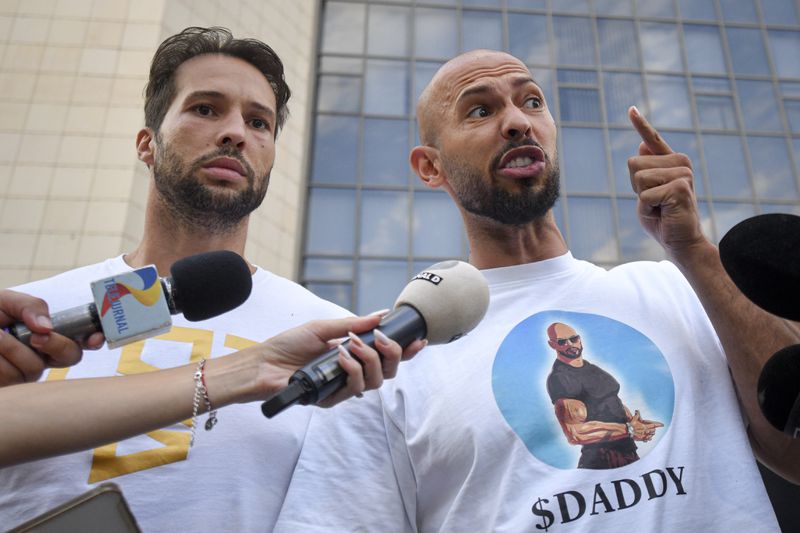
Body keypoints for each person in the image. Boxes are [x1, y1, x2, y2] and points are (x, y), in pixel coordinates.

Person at [273, 49, 800, 532]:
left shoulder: (677, 285)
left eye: (531, 102)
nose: (518, 122)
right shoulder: (390, 359)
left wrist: (694, 252)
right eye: (479, 111)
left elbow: (793, 452)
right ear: (430, 166)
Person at [0, 27, 422, 532]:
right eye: (205, 109)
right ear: (146, 143)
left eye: (259, 123)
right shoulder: (35, 320)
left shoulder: (334, 343)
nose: (235, 133)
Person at [545, 322, 662, 469]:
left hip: (627, 453)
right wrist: (629, 429)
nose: (570, 344)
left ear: (579, 339)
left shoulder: (593, 369)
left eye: (573, 339)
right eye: (562, 342)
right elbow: (575, 432)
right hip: (601, 459)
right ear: (552, 345)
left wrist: (637, 423)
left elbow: (611, 400)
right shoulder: (561, 378)